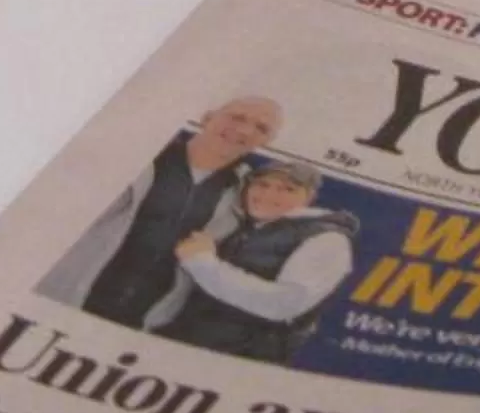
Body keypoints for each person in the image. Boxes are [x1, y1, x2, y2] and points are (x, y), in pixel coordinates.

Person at [41, 94, 279, 328]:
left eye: (261, 128)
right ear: (207, 118)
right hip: (68, 295)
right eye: (237, 117)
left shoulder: (246, 195)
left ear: (265, 143)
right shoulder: (140, 156)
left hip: (144, 320)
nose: (245, 130)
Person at [150, 157, 357, 364]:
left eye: (288, 189)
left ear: (309, 197)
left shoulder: (328, 240)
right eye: (262, 184)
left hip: (237, 361)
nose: (268, 194)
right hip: (189, 344)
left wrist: (202, 263)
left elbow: (282, 304)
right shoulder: (252, 227)